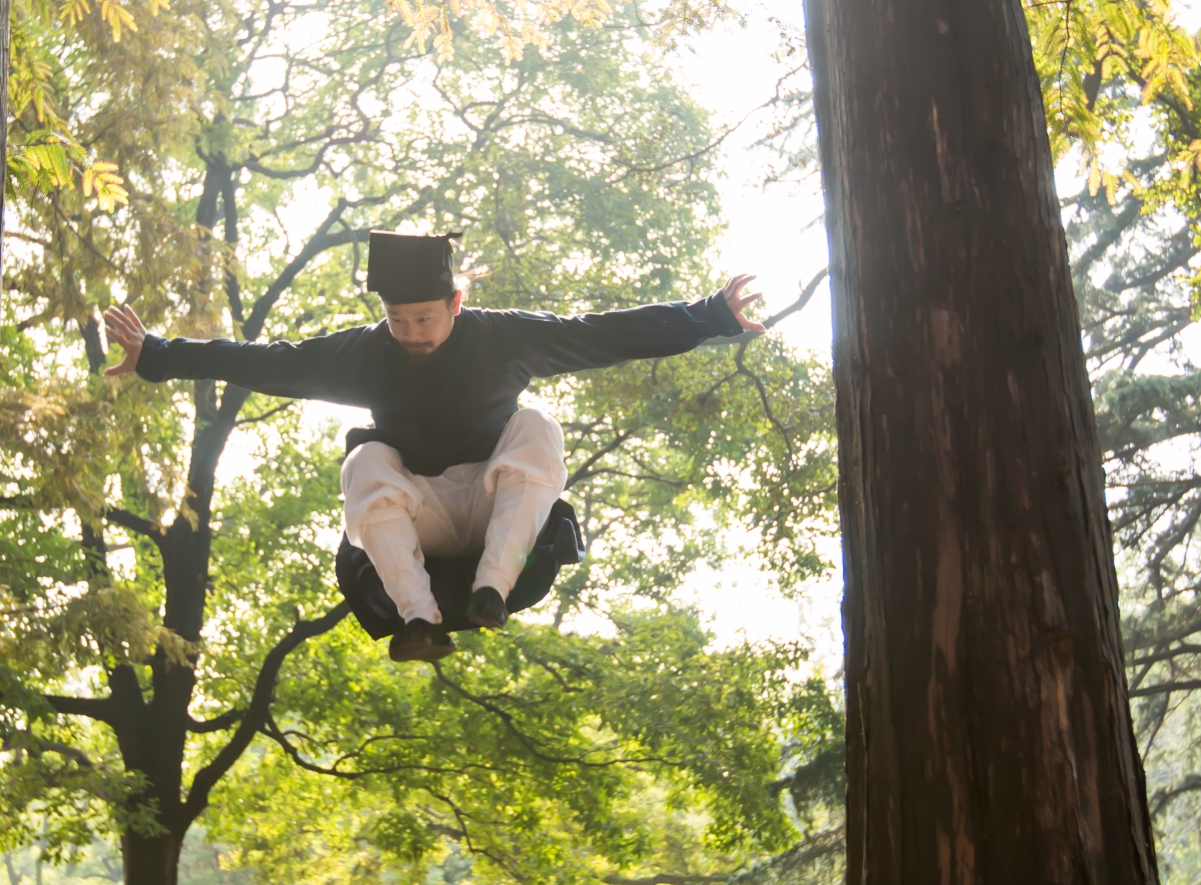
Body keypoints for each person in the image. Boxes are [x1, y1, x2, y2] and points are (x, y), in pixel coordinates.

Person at [104, 230, 762, 665]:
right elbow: (274, 363)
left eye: (423, 319)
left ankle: (492, 590)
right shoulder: (365, 352)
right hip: (414, 511)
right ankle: (417, 620)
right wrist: (160, 353)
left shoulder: (504, 337)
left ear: (456, 302)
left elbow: (599, 334)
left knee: (536, 427)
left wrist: (709, 316)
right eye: (397, 321)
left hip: (490, 508)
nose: (411, 333)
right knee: (363, 461)